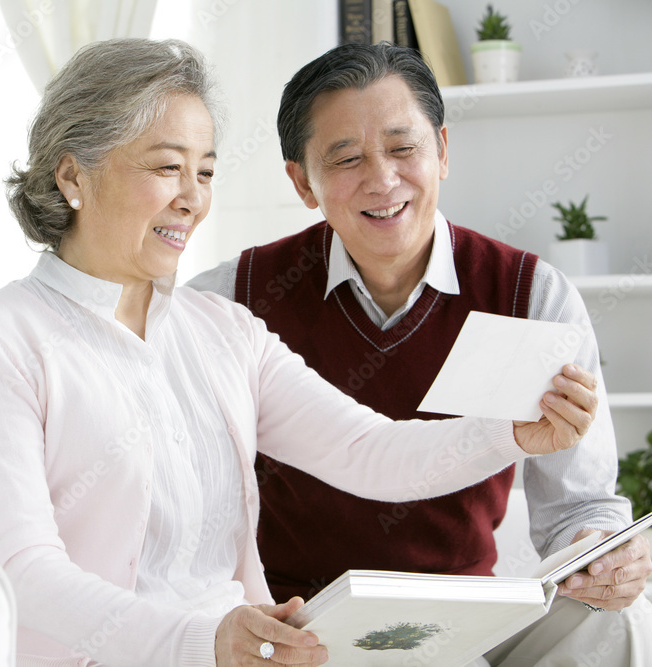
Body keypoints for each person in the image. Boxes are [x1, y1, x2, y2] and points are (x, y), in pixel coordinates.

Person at [0, 39, 599, 666]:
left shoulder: (222, 329)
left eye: (206, 171)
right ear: (74, 175)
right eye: (167, 167)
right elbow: (22, 569)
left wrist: (506, 432)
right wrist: (203, 638)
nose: (192, 199)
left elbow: (371, 452)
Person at [187, 42, 652, 666]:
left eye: (404, 148)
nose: (383, 180)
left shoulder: (528, 295)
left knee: (614, 621)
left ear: (442, 151)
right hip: (302, 623)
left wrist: (602, 555)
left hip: (468, 620)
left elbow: (578, 506)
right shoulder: (232, 300)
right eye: (346, 158)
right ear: (303, 182)